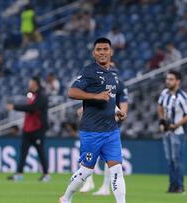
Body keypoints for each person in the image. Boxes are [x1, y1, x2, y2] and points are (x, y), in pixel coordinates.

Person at [59, 38, 127, 203]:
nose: (102, 52)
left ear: (111, 52)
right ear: (93, 53)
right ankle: (66, 198)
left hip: (111, 130)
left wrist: (118, 111)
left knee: (117, 170)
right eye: (99, 50)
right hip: (91, 130)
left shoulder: (113, 75)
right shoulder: (89, 71)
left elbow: (110, 99)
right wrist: (95, 96)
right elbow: (72, 92)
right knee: (86, 171)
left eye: (105, 49)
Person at [80, 76, 129, 196]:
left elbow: (123, 106)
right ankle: (90, 182)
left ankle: (105, 186)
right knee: (90, 155)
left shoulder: (119, 84)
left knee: (112, 159)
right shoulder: (99, 81)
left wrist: (114, 118)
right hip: (96, 125)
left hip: (111, 125)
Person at [6, 76, 50, 182]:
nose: (29, 84)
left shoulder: (42, 96)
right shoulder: (32, 95)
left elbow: (32, 108)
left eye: (31, 82)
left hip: (38, 129)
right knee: (23, 152)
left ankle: (46, 174)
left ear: (36, 83)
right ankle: (19, 174)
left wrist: (15, 107)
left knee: (40, 152)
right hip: (28, 129)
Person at [158, 70, 187, 193]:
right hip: (167, 131)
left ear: (177, 81)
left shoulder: (182, 97)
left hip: (179, 131)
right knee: (169, 159)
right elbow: (160, 106)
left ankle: (180, 186)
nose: (168, 81)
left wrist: (176, 125)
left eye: (171, 79)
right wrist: (162, 122)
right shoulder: (164, 93)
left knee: (176, 158)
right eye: (167, 79)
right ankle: (172, 186)